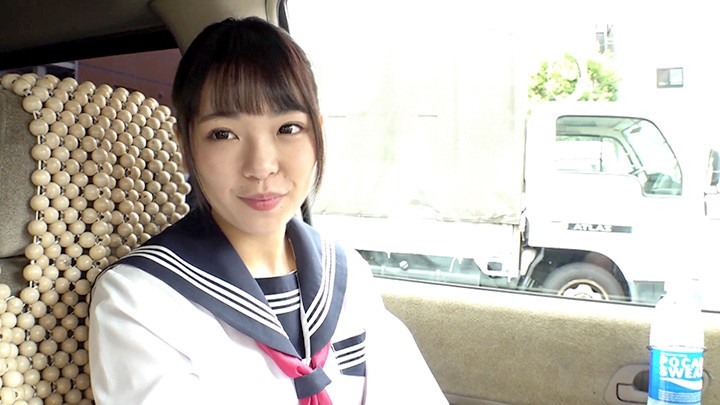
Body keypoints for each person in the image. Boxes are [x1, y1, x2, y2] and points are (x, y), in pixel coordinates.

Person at [89, 16, 447, 404]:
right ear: (185, 146)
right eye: (223, 134)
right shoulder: (140, 299)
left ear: (318, 132)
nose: (261, 166)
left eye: (288, 128)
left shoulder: (347, 276)